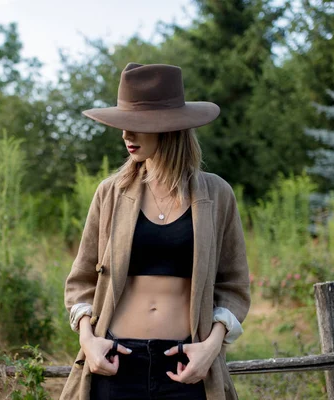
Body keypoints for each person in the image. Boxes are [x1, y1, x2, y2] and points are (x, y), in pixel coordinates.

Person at [60, 63, 251, 400]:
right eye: (124, 125)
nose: (126, 135)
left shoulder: (216, 195)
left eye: (137, 126)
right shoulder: (110, 193)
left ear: (170, 128)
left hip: (186, 368)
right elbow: (81, 282)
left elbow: (233, 286)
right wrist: (88, 341)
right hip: (115, 363)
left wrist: (211, 347)